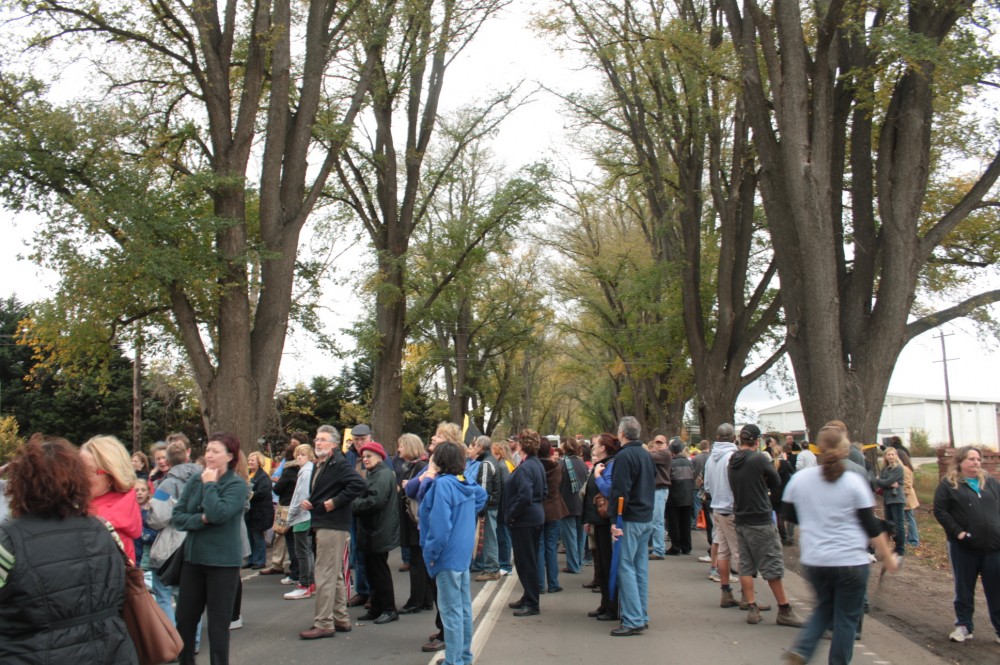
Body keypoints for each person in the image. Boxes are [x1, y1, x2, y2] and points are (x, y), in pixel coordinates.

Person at [0, 435, 139, 664]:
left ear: (21, 484)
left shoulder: (8, 541)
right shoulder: (103, 529)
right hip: (110, 652)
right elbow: (121, 588)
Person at [781, 425, 899, 664]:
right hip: (850, 560)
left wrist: (816, 518)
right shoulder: (854, 482)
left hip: (816, 559)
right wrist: (887, 556)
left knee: (824, 608)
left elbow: (789, 515)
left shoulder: (800, 479)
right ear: (845, 450)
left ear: (817, 450)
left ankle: (803, 649)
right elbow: (871, 526)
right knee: (846, 618)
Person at [172, 431, 248, 665]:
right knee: (185, 620)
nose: (209, 455)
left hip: (222, 563)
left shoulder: (237, 485)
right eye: (207, 450)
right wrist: (200, 520)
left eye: (215, 451)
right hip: (193, 560)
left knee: (217, 625)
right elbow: (178, 516)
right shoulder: (196, 479)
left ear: (230, 456)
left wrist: (210, 486)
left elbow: (218, 513)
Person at [418, 441, 488, 665]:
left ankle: (454, 660)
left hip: (446, 555)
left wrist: (430, 554)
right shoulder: (464, 480)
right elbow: (481, 497)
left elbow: (439, 528)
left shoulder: (443, 485)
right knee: (463, 609)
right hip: (461, 553)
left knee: (451, 612)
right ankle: (462, 656)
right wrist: (466, 517)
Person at [728, 424, 804, 627]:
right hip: (759, 516)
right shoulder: (759, 458)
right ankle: (784, 608)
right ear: (756, 440)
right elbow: (776, 480)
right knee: (772, 564)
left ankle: (751, 607)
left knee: (746, 564)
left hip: (741, 516)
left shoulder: (732, 461)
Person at [298, 425, 367, 640]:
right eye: (316, 439)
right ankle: (340, 618)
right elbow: (330, 490)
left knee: (325, 574)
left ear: (334, 444)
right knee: (335, 574)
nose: (317, 443)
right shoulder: (326, 463)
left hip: (333, 524)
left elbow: (358, 484)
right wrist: (315, 503)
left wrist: (335, 502)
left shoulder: (338, 463)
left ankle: (324, 623)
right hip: (326, 522)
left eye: (323, 440)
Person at [932, 446, 1000, 643]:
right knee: (964, 588)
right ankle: (964, 626)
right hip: (964, 547)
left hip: (994, 547)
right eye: (971, 459)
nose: (976, 462)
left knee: (996, 589)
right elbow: (940, 510)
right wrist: (958, 532)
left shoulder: (991, 483)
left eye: (978, 459)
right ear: (960, 462)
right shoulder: (949, 484)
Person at [599, 415, 655, 637]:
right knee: (639, 568)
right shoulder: (645, 454)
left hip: (629, 518)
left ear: (621, 434)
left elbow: (619, 491)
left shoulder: (624, 456)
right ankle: (641, 614)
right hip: (645, 517)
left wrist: (615, 521)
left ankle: (633, 618)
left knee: (625, 568)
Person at [352, 441, 401, 624]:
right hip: (373, 530)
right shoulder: (376, 474)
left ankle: (388, 608)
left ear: (379, 457)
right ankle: (377, 607)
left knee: (380, 572)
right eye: (363, 456)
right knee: (373, 571)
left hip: (379, 530)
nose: (365, 459)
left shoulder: (382, 475)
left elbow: (374, 501)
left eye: (369, 456)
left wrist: (353, 505)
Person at [503, 428, 547, 617]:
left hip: (525, 520)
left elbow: (525, 496)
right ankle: (528, 595)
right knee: (529, 559)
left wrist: (512, 514)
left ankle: (531, 602)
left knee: (525, 561)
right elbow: (544, 492)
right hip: (535, 516)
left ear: (521, 445)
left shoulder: (526, 467)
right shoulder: (536, 464)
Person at [81, 435, 143, 562]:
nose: (80, 477)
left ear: (112, 476)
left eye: (89, 471)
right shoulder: (84, 506)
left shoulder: (102, 523)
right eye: (78, 469)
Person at [704, 423, 742, 609]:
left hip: (717, 507)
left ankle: (726, 591)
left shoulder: (712, 458)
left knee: (724, 552)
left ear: (718, 438)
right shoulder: (734, 457)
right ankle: (748, 595)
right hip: (731, 508)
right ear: (733, 438)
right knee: (740, 553)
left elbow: (707, 486)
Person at [583, 433, 620, 622]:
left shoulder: (609, 465)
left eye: (595, 445)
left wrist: (597, 476)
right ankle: (605, 603)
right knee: (602, 565)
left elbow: (608, 491)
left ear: (603, 447)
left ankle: (612, 607)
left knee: (607, 565)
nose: (592, 447)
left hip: (605, 522)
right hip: (598, 521)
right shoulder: (603, 463)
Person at [398, 433, 433, 613]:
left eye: (402, 446)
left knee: (417, 562)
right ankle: (425, 599)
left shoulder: (419, 466)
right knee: (418, 560)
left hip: (415, 521)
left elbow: (418, 490)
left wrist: (407, 485)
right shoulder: (415, 465)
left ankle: (416, 600)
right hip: (414, 520)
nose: (398, 449)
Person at [261, 438, 301, 577]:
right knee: (292, 539)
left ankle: (294, 571)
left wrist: (277, 481)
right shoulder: (302, 469)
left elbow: (277, 488)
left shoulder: (290, 470)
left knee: (288, 537)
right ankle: (283, 565)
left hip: (287, 507)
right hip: (298, 507)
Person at [283, 444, 316, 599]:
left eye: (303, 454)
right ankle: (310, 582)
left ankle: (304, 584)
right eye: (298, 455)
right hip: (306, 516)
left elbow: (300, 496)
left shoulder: (305, 472)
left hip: (301, 516)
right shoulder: (308, 470)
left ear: (310, 456)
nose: (299, 457)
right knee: (307, 551)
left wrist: (290, 516)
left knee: (302, 552)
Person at [467, 435, 503, 581]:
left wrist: (480, 509)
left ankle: (491, 569)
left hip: (489, 506)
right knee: (490, 537)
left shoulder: (487, 464)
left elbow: (483, 490)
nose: (474, 448)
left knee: (489, 538)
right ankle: (492, 567)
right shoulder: (492, 460)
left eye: (475, 446)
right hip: (493, 504)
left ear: (481, 447)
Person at [537, 437, 568, 594]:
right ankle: (554, 583)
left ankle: (540, 585)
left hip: (539, 510)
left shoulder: (534, 467)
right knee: (551, 547)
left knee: (539, 547)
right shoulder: (557, 468)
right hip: (554, 510)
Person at [558, 437, 589, 574]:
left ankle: (573, 565)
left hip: (567, 504)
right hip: (582, 504)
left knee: (570, 537)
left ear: (565, 449)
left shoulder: (562, 464)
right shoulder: (583, 464)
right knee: (580, 536)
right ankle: (579, 562)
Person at [245, 451, 275, 569]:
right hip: (249, 512)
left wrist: (249, 494)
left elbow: (262, 493)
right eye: (249, 459)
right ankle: (251, 559)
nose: (250, 462)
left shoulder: (263, 477)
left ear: (259, 462)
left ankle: (260, 560)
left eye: (253, 460)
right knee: (249, 536)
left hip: (260, 513)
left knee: (257, 536)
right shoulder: (247, 474)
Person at [666, 438, 694, 555]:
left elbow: (668, 478)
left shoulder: (670, 463)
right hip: (687, 496)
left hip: (674, 496)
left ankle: (676, 547)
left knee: (674, 523)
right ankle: (686, 546)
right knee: (686, 523)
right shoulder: (689, 462)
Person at [876, 447, 906, 558]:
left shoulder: (898, 468)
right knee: (888, 524)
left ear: (896, 455)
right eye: (888, 454)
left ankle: (900, 549)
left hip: (897, 499)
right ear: (885, 456)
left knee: (898, 524)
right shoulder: (885, 469)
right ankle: (888, 548)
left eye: (892, 454)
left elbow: (886, 481)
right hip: (887, 499)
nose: (891, 456)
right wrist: (884, 482)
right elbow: (881, 482)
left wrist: (884, 482)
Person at [490, 441, 514, 576]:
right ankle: (504, 563)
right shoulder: (509, 464)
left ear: (498, 454)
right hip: (507, 504)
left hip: (503, 505)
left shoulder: (501, 466)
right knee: (504, 534)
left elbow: (505, 487)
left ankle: (505, 565)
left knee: (503, 535)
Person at [647, 435, 671, 559]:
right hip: (656, 490)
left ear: (666, 444)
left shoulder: (665, 454)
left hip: (660, 490)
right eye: (656, 442)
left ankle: (659, 550)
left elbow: (648, 456)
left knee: (657, 522)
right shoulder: (658, 455)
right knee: (655, 521)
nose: (658, 445)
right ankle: (657, 548)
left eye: (661, 443)